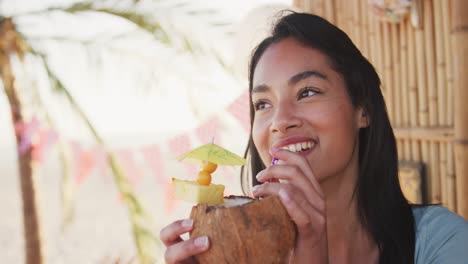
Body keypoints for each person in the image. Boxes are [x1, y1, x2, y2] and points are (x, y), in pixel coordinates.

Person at [160, 11, 468, 264]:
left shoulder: (442, 242)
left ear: (362, 109)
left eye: (307, 92)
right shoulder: (243, 256)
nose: (280, 122)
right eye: (263, 104)